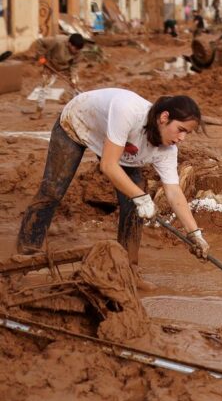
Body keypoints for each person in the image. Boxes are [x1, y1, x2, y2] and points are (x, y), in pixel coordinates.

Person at [17, 88, 211, 283]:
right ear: (164, 117)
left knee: (134, 206)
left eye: (187, 133)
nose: (181, 138)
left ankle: (128, 271)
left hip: (115, 143)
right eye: (181, 129)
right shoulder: (128, 111)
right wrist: (141, 197)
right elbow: (108, 166)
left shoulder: (167, 149)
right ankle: (25, 257)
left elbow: (173, 191)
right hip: (78, 123)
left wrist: (194, 234)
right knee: (52, 190)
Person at [33, 33, 85, 118]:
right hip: (50, 66)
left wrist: (72, 79)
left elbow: (74, 66)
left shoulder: (79, 52)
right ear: (69, 43)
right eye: (75, 48)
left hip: (66, 68)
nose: (76, 51)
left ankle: (74, 111)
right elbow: (40, 42)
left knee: (75, 87)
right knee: (44, 87)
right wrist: (41, 56)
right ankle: (39, 110)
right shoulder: (57, 40)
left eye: (78, 49)